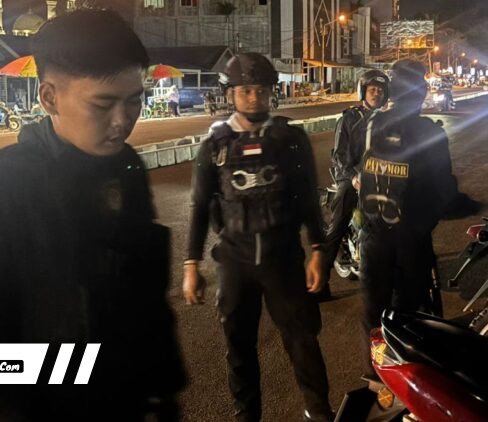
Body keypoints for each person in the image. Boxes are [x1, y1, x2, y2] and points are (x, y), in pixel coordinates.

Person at [0, 10, 184, 420]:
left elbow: (148, 298)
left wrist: (164, 392)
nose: (123, 121)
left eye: (134, 101)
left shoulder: (126, 168)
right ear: (49, 97)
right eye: (103, 104)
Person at [182, 53, 332, 422]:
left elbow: (308, 197)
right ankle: (246, 415)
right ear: (230, 94)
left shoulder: (291, 139)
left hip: (284, 258)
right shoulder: (214, 145)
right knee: (238, 346)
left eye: (261, 90)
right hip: (235, 260)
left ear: (271, 93)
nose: (254, 98)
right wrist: (191, 264)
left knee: (302, 340)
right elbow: (200, 205)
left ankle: (319, 410)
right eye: (245, 90)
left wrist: (317, 249)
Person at [355, 59, 458, 379]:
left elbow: (356, 169)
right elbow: (445, 190)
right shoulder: (430, 132)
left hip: (373, 235)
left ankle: (376, 375)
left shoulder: (369, 124)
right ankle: (406, 376)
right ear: (421, 94)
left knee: (373, 311)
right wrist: (429, 220)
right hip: (411, 239)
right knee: (408, 311)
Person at [317, 69, 390, 300]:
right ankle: (321, 281)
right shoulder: (349, 118)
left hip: (380, 176)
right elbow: (339, 155)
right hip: (350, 176)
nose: (376, 93)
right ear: (363, 92)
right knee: (339, 222)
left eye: (380, 90)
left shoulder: (387, 120)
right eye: (372, 90)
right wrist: (352, 176)